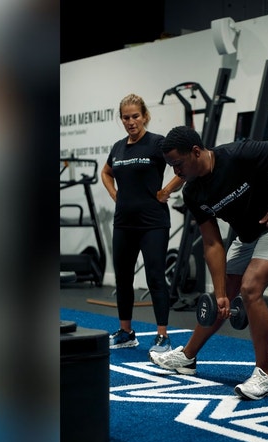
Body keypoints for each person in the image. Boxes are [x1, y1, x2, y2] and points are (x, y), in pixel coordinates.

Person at [151, 125, 268, 400]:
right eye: (171, 166)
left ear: (196, 152)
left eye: (178, 164)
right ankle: (187, 357)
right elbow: (212, 244)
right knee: (221, 296)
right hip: (248, 237)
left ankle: (265, 376)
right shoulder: (192, 193)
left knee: (250, 288)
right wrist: (221, 293)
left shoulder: (237, 154)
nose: (176, 172)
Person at [101, 94, 185, 354]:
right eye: (126, 117)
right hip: (123, 223)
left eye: (135, 116)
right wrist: (114, 194)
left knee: (155, 277)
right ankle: (126, 332)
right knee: (123, 279)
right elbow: (106, 172)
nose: (131, 121)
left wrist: (166, 190)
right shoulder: (118, 148)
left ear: (145, 116)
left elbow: (183, 167)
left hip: (153, 223)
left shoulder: (157, 143)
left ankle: (162, 336)